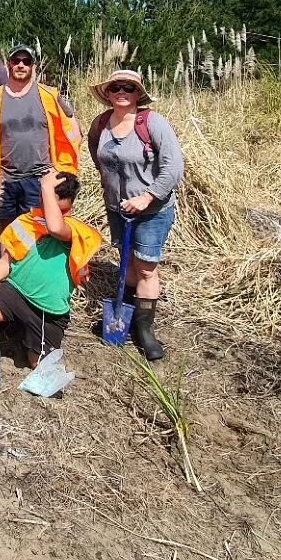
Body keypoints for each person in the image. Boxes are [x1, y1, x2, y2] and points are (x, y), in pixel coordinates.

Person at [0, 171, 102, 407]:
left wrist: (47, 188)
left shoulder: (76, 229)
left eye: (53, 199)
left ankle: (27, 340)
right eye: (47, 196)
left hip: (48, 311)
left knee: (40, 369)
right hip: (15, 292)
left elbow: (56, 227)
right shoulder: (27, 223)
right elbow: (7, 261)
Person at [87, 69, 184, 361]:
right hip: (118, 209)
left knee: (145, 268)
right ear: (107, 92)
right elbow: (97, 153)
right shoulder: (101, 124)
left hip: (152, 210)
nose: (121, 92)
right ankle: (123, 315)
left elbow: (173, 167)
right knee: (127, 260)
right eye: (116, 87)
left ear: (137, 93)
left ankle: (144, 331)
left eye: (128, 88)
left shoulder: (152, 123)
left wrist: (147, 196)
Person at [0, 44, 81, 234]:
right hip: (4, 178)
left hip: (40, 177)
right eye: (16, 61)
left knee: (37, 232)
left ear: (33, 66)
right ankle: (10, 265)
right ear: (8, 64)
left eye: (26, 61)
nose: (21, 65)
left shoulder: (49, 94)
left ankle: (30, 265)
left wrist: (60, 169)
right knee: (7, 235)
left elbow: (73, 129)